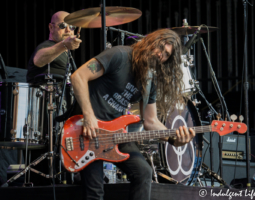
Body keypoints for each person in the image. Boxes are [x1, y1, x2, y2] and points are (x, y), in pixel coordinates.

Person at [70, 29, 196, 200]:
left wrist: (174, 139)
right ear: (151, 41)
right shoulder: (119, 55)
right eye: (160, 48)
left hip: (115, 133)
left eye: (166, 55)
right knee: (95, 192)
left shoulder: (149, 80)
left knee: (144, 172)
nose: (161, 55)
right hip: (88, 132)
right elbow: (78, 77)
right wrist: (89, 115)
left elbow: (151, 121)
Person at [27, 11, 82, 83]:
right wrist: (63, 44)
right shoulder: (47, 45)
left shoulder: (65, 52)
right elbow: (38, 60)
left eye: (72, 27)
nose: (68, 30)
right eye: (63, 25)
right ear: (51, 28)